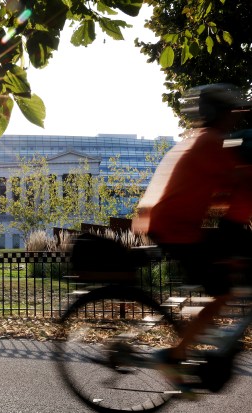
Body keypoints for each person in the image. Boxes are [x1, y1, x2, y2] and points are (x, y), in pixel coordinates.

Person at [132, 83, 252, 392]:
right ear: (219, 114)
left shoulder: (201, 140)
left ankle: (196, 337)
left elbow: (225, 194)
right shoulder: (212, 143)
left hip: (180, 225)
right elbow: (238, 183)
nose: (234, 118)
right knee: (222, 292)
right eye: (230, 112)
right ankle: (175, 354)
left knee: (224, 275)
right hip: (177, 229)